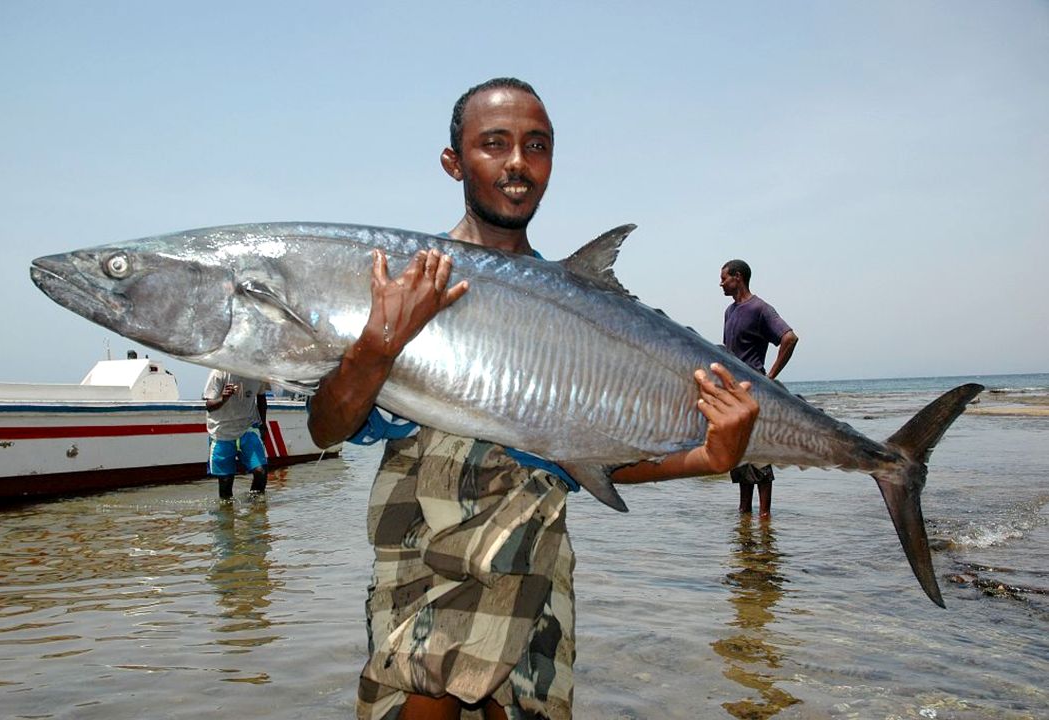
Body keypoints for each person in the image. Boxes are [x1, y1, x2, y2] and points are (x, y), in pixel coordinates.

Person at [307, 77, 760, 720]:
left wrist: (709, 457)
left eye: (536, 145)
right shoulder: (403, 285)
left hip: (536, 561)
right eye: (495, 144)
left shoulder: (580, 315)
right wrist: (375, 346)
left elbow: (590, 459)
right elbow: (328, 427)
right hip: (423, 559)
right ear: (454, 162)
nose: (518, 163)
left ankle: (887, 464)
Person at [719, 259, 798, 517]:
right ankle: (744, 514)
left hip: (755, 391)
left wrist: (770, 377)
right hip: (733, 392)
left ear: (738, 277)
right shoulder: (729, 312)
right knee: (739, 453)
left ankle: (765, 518)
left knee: (759, 455)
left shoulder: (760, 309)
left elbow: (789, 338)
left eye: (724, 279)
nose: (721, 284)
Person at [203, 369, 270, 499]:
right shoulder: (219, 373)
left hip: (248, 427)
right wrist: (223, 398)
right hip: (222, 432)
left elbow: (261, 399)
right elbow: (209, 405)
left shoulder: (258, 373)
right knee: (226, 482)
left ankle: (255, 509)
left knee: (260, 471)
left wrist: (263, 424)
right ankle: (227, 514)